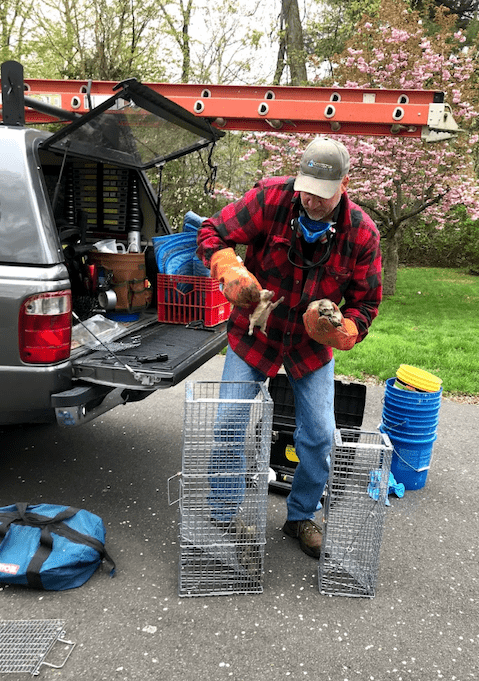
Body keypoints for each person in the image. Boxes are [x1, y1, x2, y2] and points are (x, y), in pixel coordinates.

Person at [196, 136, 382, 559]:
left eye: (321, 195)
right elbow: (212, 231)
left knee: (319, 434)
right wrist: (229, 267)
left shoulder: (363, 233)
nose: (311, 202)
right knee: (227, 421)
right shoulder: (271, 198)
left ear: (343, 185)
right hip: (256, 332)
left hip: (308, 345)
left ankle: (301, 515)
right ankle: (224, 513)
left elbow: (367, 301)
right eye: (306, 191)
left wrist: (346, 329)